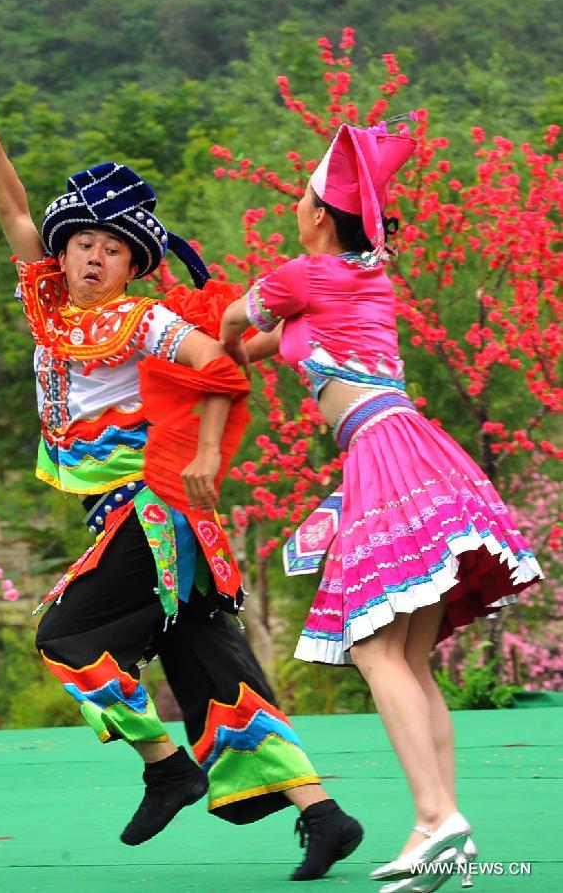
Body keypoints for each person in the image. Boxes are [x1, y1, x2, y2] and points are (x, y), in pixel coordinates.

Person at [0, 91, 364, 882]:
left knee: (65, 637)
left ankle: (167, 768)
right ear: (61, 253)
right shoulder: (48, 303)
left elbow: (219, 368)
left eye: (112, 248)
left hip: (152, 512)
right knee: (212, 670)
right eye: (81, 244)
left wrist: (206, 450)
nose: (93, 257)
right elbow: (9, 205)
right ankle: (324, 816)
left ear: (136, 265)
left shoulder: (146, 323)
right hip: (144, 520)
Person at [220, 120, 544, 891]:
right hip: (415, 451)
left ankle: (439, 815)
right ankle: (439, 825)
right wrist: (235, 345)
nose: (294, 207)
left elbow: (237, 323)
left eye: (300, 197)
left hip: (382, 455)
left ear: (320, 217)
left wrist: (213, 328)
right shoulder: (351, 281)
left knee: (372, 650)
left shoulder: (304, 274)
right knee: (407, 658)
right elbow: (264, 345)